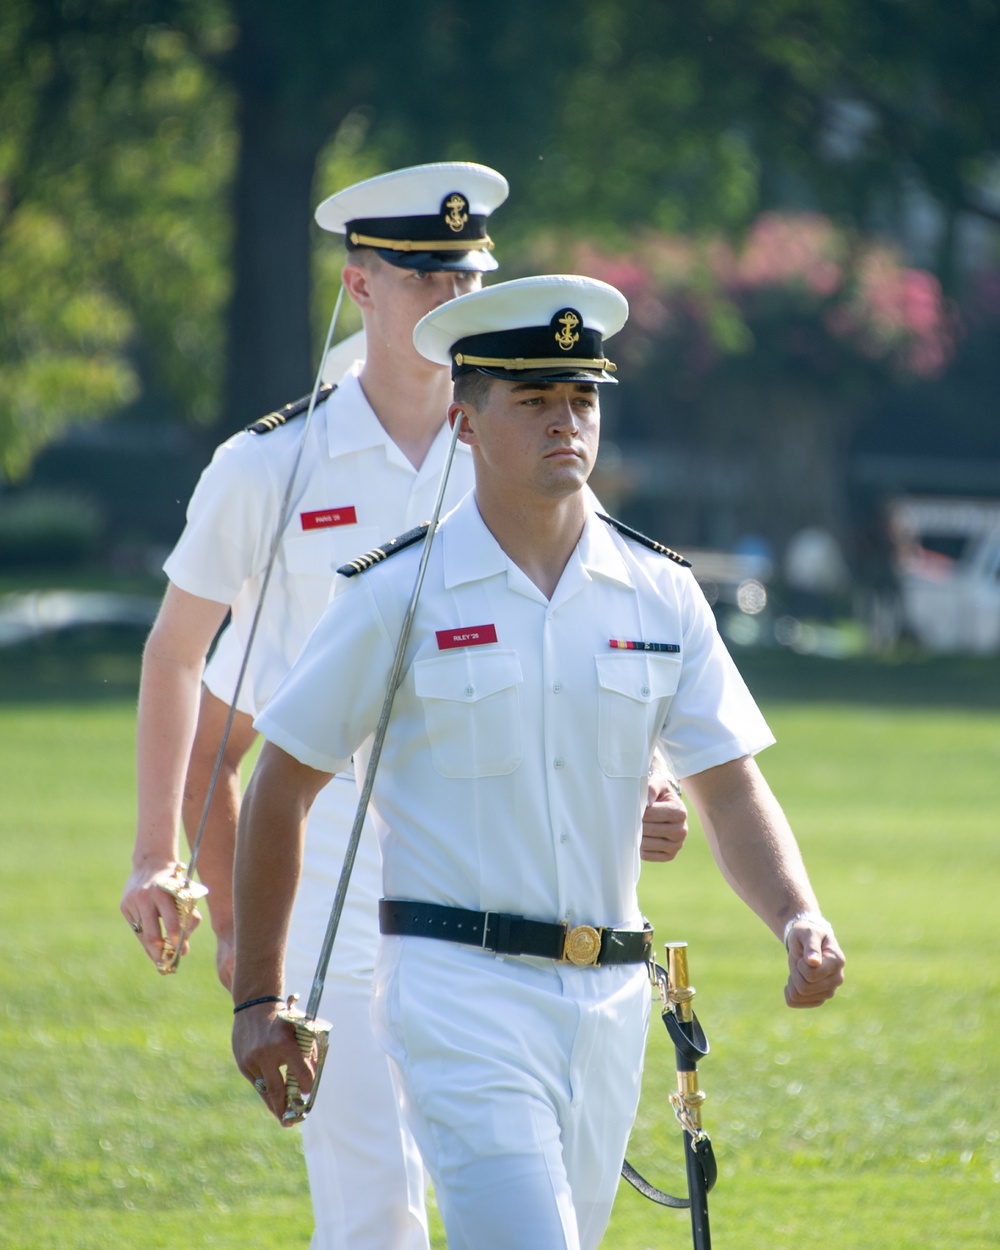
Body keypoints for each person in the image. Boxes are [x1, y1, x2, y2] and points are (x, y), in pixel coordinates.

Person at [120, 164, 689, 1250]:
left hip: (496, 896)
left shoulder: (518, 442)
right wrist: (168, 860)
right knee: (375, 1211)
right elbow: (182, 657)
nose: (446, 291)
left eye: (466, 272)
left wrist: (650, 786)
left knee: (530, 1212)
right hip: (330, 890)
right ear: (359, 285)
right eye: (420, 273)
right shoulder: (271, 463)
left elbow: (593, 645)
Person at [230, 275, 846, 1250]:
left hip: (609, 1000)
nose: (567, 422)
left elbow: (725, 782)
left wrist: (796, 912)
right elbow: (280, 783)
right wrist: (261, 993)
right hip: (457, 990)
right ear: (467, 422)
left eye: (581, 398)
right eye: (534, 400)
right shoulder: (397, 593)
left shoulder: (660, 592)